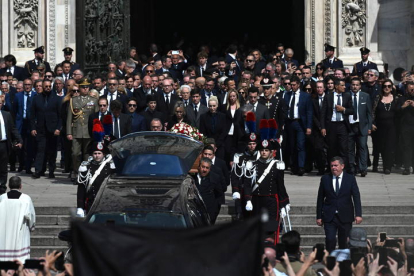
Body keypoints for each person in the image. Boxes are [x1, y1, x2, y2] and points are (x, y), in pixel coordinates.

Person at [244, 120, 290, 242]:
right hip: (256, 199)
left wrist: (284, 203)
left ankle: (271, 250)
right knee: (256, 228)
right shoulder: (252, 164)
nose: (264, 152)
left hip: (271, 201)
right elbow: (248, 184)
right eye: (262, 150)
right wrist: (248, 199)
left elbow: (280, 186)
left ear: (271, 152)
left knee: (271, 228)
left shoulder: (277, 165)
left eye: (266, 151)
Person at [316, 156, 362, 252]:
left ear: (342, 166)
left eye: (336, 165)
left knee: (344, 242)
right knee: (330, 239)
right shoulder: (325, 179)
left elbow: (356, 196)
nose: (333, 168)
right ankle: (330, 261)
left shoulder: (350, 179)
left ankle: (342, 262)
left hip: (345, 215)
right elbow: (320, 198)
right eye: (332, 166)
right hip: (329, 216)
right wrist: (319, 216)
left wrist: (358, 214)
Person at [66, 79, 99, 181]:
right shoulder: (74, 100)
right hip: (77, 130)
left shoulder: (93, 101)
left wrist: (96, 131)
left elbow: (96, 117)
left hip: (88, 131)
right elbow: (69, 118)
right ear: (79, 88)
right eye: (83, 87)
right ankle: (75, 172)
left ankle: (86, 173)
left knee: (87, 154)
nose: (85, 89)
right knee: (75, 153)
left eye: (87, 87)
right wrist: (69, 132)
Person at [30, 80, 62, 179]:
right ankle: (38, 170)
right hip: (41, 129)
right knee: (40, 150)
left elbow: (61, 115)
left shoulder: (57, 99)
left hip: (53, 129)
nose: (48, 88)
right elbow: (32, 115)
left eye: (49, 86)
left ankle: (51, 171)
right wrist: (33, 128)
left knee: (52, 151)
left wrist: (58, 128)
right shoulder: (36, 98)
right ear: (43, 87)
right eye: (46, 86)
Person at [0, 176, 35, 262]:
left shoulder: (2, 198)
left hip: (5, 231)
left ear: (8, 185)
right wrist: (32, 227)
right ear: (20, 186)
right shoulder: (26, 199)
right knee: (20, 256)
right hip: (20, 231)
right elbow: (31, 216)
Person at [321, 79, 354, 170]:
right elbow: (323, 113)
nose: (344, 87)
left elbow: (352, 110)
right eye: (342, 85)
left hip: (342, 125)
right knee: (332, 148)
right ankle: (331, 168)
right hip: (332, 125)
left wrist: (343, 109)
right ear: (336, 86)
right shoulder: (328, 97)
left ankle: (345, 169)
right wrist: (323, 127)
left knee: (343, 148)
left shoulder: (347, 96)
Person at [76, 141, 115, 217]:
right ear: (92, 154)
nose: (97, 156)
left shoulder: (110, 167)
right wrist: (80, 207)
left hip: (107, 204)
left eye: (99, 153)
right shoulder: (85, 167)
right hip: (91, 204)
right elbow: (81, 189)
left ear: (103, 154)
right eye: (95, 153)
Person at [371, 79, 399, 174]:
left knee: (389, 147)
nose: (386, 88)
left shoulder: (396, 98)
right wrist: (372, 123)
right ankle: (380, 165)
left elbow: (399, 113)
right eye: (385, 86)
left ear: (392, 88)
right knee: (381, 147)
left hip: (392, 126)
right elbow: (373, 112)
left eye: (389, 86)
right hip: (379, 126)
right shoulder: (378, 98)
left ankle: (388, 167)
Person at [348, 78, 372, 177]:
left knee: (362, 147)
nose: (355, 86)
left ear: (360, 86)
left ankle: (363, 168)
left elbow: (369, 113)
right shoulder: (346, 96)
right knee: (350, 149)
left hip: (361, 126)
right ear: (350, 85)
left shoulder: (365, 96)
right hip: (349, 126)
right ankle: (352, 168)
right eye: (353, 84)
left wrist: (369, 126)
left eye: (357, 85)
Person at [192, 157, 223, 224]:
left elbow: (219, 195)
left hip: (209, 214)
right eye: (203, 167)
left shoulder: (215, 178)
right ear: (199, 166)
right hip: (193, 213)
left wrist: (214, 212)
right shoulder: (192, 178)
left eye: (207, 168)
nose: (205, 170)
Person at [0, 98, 22, 189]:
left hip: (4, 144)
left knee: (4, 167)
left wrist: (19, 140)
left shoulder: (6, 115)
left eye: (0, 103)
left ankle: (2, 186)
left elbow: (13, 129)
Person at [396, 81, 414, 175]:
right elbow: (396, 112)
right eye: (410, 89)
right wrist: (403, 106)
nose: (412, 90)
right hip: (405, 127)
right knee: (406, 147)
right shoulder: (401, 99)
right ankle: (407, 167)